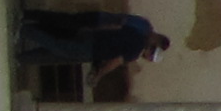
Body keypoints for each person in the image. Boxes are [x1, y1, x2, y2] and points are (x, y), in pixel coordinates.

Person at [18, 7, 168, 68]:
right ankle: (27, 25)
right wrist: (97, 29)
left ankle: (25, 53)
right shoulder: (142, 32)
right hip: (97, 26)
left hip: (96, 37)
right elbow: (119, 22)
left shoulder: (139, 36)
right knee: (63, 26)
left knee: (61, 41)